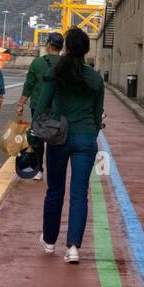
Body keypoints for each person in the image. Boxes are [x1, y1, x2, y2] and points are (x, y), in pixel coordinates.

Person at [32, 26, 104, 263]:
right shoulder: (94, 77)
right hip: (85, 138)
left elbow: (41, 108)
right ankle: (73, 247)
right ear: (86, 50)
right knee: (79, 193)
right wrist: (91, 133)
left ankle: (50, 241)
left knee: (55, 190)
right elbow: (97, 115)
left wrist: (38, 131)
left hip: (58, 137)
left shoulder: (55, 73)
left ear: (65, 48)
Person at [19, 31, 64, 179]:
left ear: (49, 45)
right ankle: (56, 170)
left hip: (38, 107)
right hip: (59, 109)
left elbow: (29, 85)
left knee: (37, 138)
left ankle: (38, 170)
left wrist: (21, 104)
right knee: (57, 138)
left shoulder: (37, 63)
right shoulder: (66, 64)